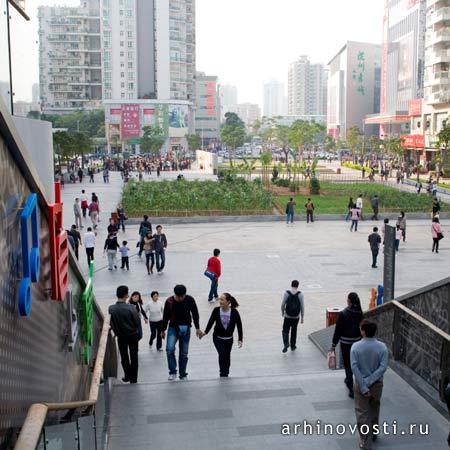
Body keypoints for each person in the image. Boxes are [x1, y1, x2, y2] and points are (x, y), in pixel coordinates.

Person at [351, 320, 388, 450]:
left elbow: (354, 368)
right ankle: (374, 432)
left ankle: (366, 442)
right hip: (377, 384)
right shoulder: (382, 347)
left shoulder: (355, 347)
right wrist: (371, 380)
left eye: (361, 328)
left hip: (361, 384)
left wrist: (364, 384)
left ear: (364, 331)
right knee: (374, 407)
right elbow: (383, 367)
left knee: (362, 412)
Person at [161, 284, 202, 381]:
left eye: (182, 296)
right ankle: (172, 372)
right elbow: (165, 317)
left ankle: (183, 374)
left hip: (186, 328)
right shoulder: (169, 301)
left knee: (184, 353)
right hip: (173, 328)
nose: (180, 298)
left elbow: (195, 314)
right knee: (169, 350)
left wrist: (197, 328)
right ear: (175, 294)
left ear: (185, 294)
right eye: (178, 296)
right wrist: (162, 330)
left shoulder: (190, 299)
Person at [201, 293, 243, 378]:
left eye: (222, 299)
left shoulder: (234, 312)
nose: (220, 301)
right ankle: (222, 373)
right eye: (220, 299)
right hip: (217, 338)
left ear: (228, 301)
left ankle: (226, 372)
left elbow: (239, 326)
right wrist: (205, 332)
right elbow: (211, 322)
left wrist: (240, 339)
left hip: (229, 339)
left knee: (227, 355)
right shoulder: (216, 310)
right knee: (222, 354)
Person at [331, 292, 363, 399]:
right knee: (355, 364)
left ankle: (350, 386)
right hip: (357, 342)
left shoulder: (343, 313)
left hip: (345, 343)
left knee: (348, 365)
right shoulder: (360, 312)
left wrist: (334, 343)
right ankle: (356, 383)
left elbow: (338, 330)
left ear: (349, 300)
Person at [109, 285, 141, 384]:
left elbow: (112, 323)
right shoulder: (131, 308)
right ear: (126, 295)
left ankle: (127, 375)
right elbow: (137, 322)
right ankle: (133, 379)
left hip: (121, 336)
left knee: (124, 357)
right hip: (132, 335)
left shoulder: (111, 308)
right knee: (134, 356)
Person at [281, 280, 305, 353]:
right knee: (294, 331)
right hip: (296, 317)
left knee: (285, 330)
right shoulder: (300, 294)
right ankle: (293, 346)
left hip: (287, 316)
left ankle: (286, 344)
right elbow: (302, 306)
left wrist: (283, 312)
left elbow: (282, 304)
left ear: (291, 285)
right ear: (297, 286)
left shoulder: (286, 293)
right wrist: (302, 317)